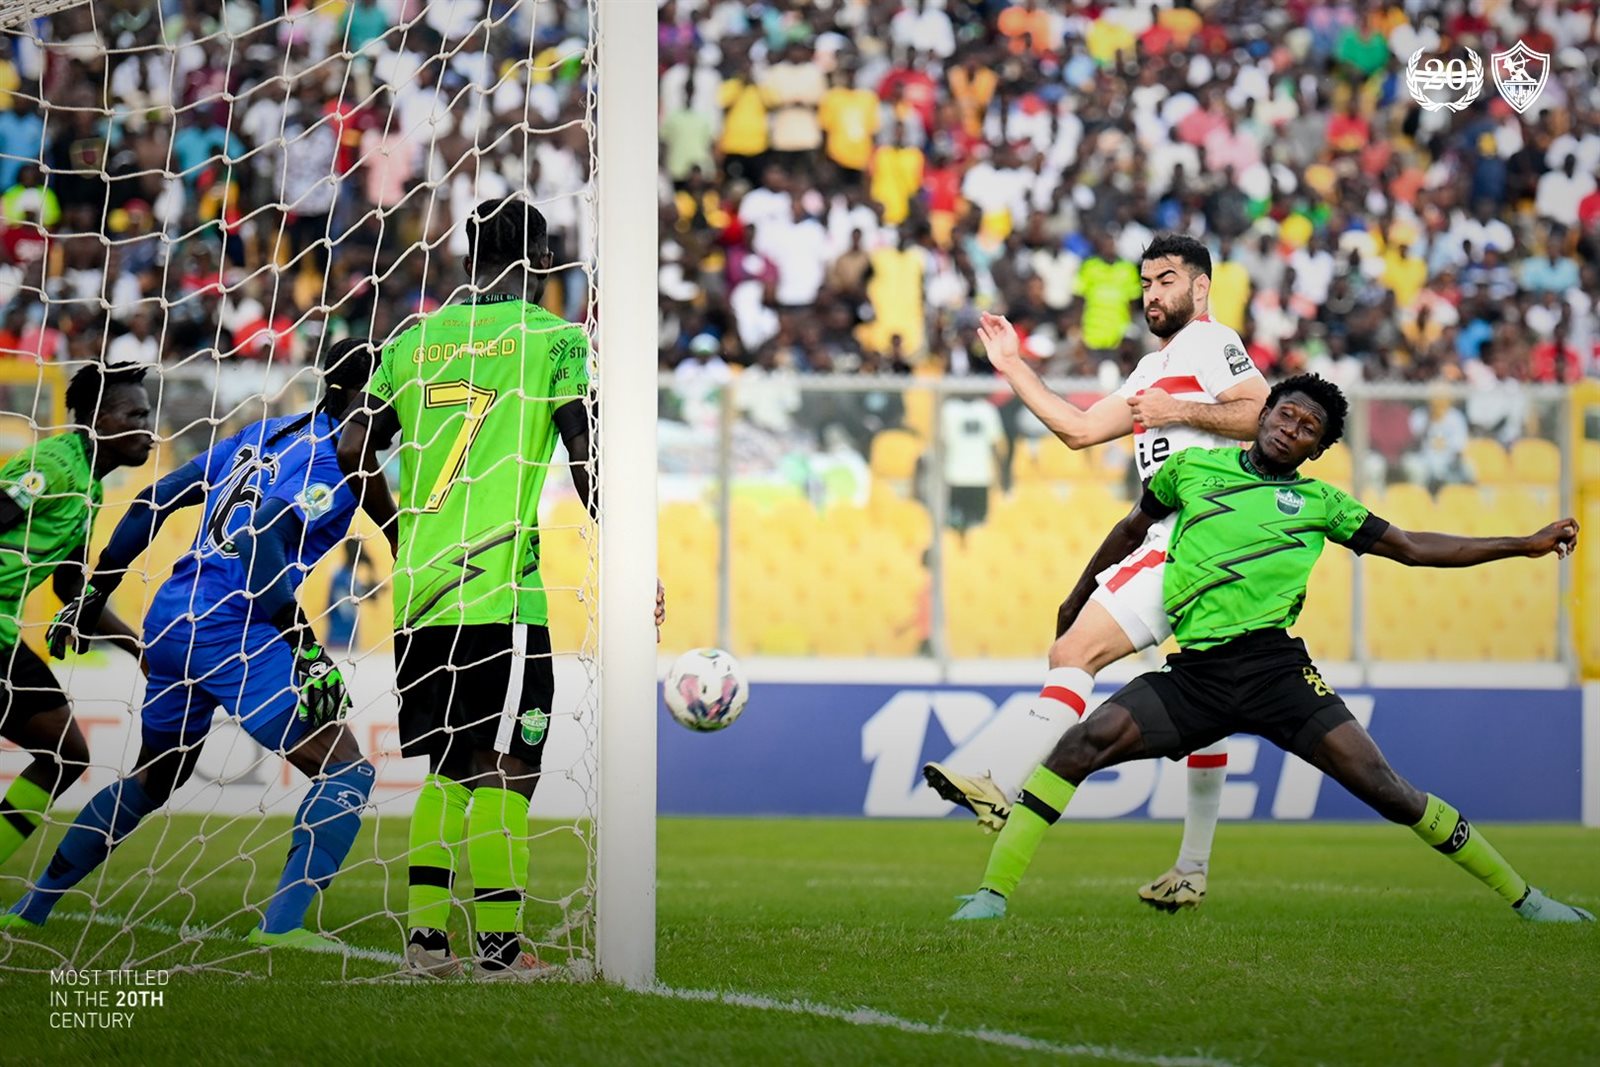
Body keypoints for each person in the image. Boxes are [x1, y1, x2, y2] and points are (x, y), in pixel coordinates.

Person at [950, 374, 1592, 925]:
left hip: (1276, 672)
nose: (1292, 429)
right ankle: (991, 896)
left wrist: (1522, 545)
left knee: (1390, 791)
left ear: (1319, 449)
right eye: (1286, 414)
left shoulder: (1321, 504)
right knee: (1079, 747)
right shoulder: (1190, 471)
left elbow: (1413, 547)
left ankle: (1530, 901)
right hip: (1196, 675)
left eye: (1309, 428)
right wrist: (1078, 597)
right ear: (1264, 416)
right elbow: (1130, 530)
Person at [923, 234, 1270, 911]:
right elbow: (1079, 429)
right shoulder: (1150, 368)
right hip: (1192, 545)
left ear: (1200, 287)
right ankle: (1191, 867)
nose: (1152, 294)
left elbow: (1262, 411)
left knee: (1075, 651)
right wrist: (1012, 365)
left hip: (1195, 539)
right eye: (1146, 283)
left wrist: (1178, 409)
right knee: (1206, 704)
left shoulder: (1210, 341)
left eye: (1166, 280)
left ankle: (998, 777)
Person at [2, 341, 381, 949]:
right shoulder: (332, 464)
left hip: (171, 617)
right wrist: (308, 651)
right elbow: (260, 545)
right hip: (235, 623)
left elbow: (154, 499)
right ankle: (282, 927)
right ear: (365, 395)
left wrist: (96, 593)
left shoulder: (263, 433)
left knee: (156, 776)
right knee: (346, 767)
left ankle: (31, 908)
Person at [337, 197, 594, 979]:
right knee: (510, 764)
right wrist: (629, 559)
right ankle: (500, 949)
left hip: (420, 592)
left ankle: (425, 942)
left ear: (466, 256)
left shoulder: (412, 339)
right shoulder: (554, 339)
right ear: (542, 258)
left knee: (448, 766)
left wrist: (398, 530)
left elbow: (351, 444)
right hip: (498, 591)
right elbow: (584, 457)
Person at [0, 362, 150, 873]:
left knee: (63, 753)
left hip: (3, 633)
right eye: (136, 415)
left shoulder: (91, 487)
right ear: (100, 419)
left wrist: (135, 647)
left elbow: (69, 586)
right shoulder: (54, 465)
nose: (149, 428)